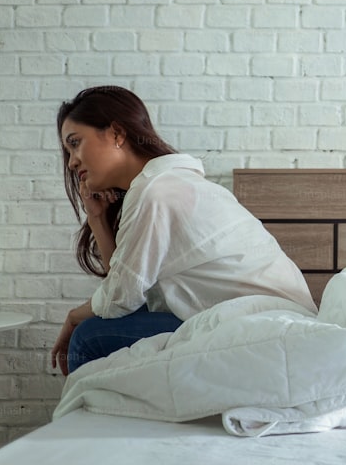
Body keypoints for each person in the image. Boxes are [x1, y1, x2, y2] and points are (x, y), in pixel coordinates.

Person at [51, 86, 316, 375]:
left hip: (264, 325)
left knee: (88, 338)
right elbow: (125, 287)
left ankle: (90, 420)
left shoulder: (156, 191)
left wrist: (73, 317)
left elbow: (118, 299)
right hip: (266, 316)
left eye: (75, 143)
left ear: (117, 134)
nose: (72, 161)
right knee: (105, 324)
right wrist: (97, 219)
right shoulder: (166, 183)